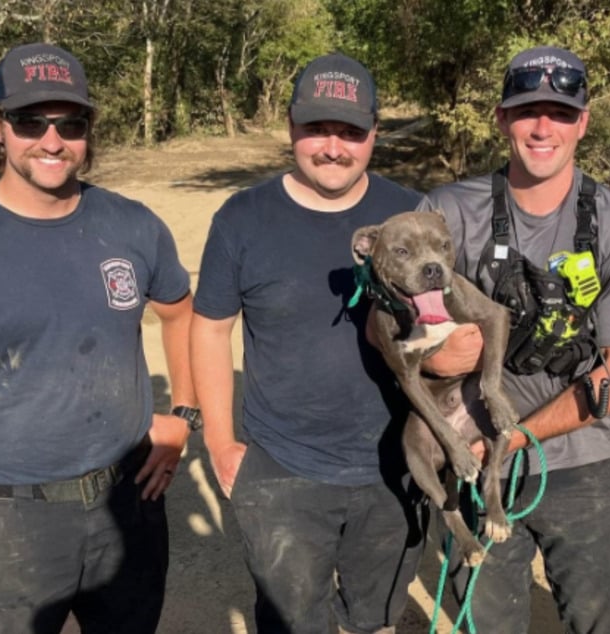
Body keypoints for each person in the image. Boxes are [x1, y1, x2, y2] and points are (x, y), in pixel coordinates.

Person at [0, 43, 198, 633]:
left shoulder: (133, 225)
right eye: (30, 121)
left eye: (71, 123)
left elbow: (181, 314)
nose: (52, 141)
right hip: (0, 518)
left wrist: (182, 415)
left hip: (127, 507)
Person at [419, 45, 610, 633]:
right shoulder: (448, 212)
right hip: (472, 464)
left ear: (582, 122)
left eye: (560, 112)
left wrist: (513, 440)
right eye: (527, 110)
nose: (542, 127)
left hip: (584, 468)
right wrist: (432, 355)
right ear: (503, 118)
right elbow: (383, 326)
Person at [190, 53, 424, 634]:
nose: (333, 147)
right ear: (291, 126)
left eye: (350, 132)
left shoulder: (412, 213)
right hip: (282, 468)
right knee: (292, 621)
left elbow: (443, 327)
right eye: (317, 129)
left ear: (373, 134)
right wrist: (221, 444)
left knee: (374, 620)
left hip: (395, 464)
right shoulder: (242, 218)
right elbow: (210, 327)